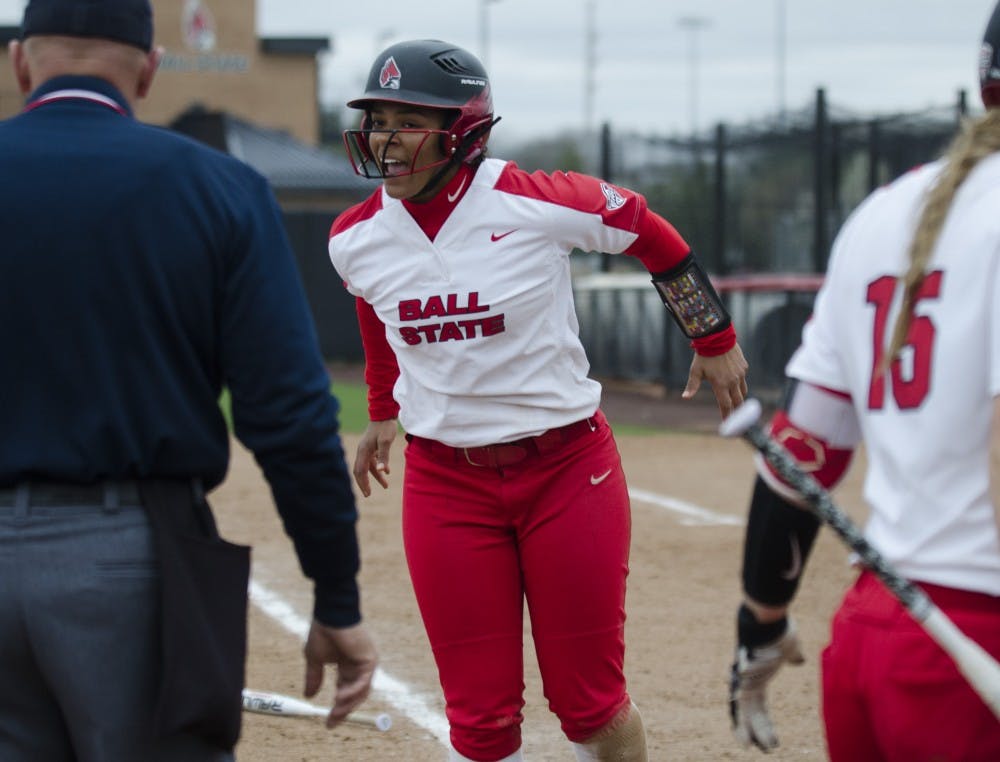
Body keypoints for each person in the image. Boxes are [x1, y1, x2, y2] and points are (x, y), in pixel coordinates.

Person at [328, 39, 748, 762]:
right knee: (481, 724)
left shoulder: (534, 200)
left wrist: (712, 336)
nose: (385, 139)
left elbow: (651, 232)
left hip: (565, 471)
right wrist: (382, 407)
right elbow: (374, 310)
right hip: (445, 483)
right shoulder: (355, 239)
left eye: (407, 120)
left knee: (591, 709)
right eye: (378, 119)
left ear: (463, 132)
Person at [0, 1, 377, 760]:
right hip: (126, 562)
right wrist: (335, 589)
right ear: (148, 70)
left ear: (19, 64)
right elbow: (290, 415)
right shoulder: (218, 187)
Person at [727, 4, 1000, 760]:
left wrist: (762, 622)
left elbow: (802, 452)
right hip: (978, 653)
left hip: (877, 638)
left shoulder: (885, 211)